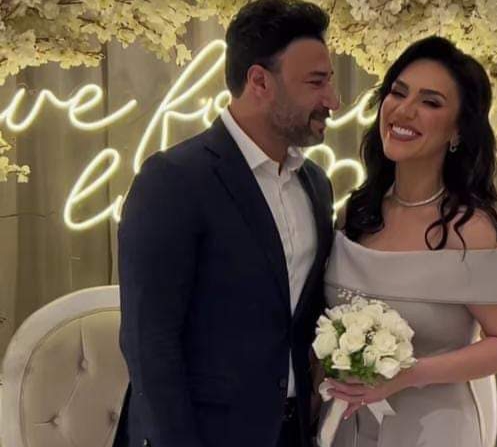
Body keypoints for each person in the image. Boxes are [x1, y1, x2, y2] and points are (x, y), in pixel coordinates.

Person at [113, 1, 339, 447]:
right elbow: (149, 343)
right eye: (317, 82)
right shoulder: (174, 179)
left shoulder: (316, 184)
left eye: (330, 80)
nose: (333, 100)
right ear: (259, 82)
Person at [322, 36, 497, 447]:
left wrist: (409, 374)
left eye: (430, 102)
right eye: (398, 92)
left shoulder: (469, 229)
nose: (404, 110)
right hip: (349, 423)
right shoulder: (357, 213)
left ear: (457, 129)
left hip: (435, 426)